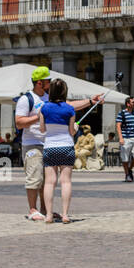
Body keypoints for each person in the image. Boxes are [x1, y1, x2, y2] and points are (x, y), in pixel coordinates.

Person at [15, 65, 104, 221]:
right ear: (39, 83)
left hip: (48, 144)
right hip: (32, 143)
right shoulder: (26, 99)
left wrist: (90, 101)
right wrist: (41, 116)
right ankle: (33, 209)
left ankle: (45, 210)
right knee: (35, 177)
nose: (50, 83)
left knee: (46, 180)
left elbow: (68, 105)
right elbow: (19, 123)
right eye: (47, 81)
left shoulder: (48, 99)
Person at [36, 77, 77, 223]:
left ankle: (48, 215)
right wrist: (75, 128)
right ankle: (65, 215)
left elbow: (42, 129)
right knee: (66, 182)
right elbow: (72, 131)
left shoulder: (44, 108)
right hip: (66, 146)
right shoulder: (70, 109)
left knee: (49, 182)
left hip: (50, 146)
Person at [117, 97, 134, 181]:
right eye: (132, 102)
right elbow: (118, 126)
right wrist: (121, 138)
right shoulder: (122, 113)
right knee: (125, 158)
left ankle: (130, 169)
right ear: (128, 104)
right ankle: (127, 174)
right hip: (125, 138)